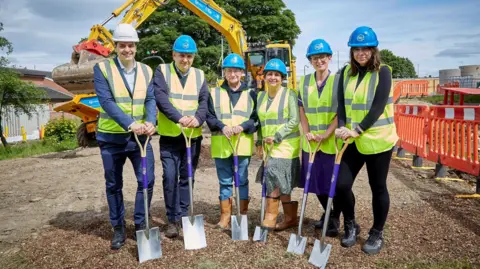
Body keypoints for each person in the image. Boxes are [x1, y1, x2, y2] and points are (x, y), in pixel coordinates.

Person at [334, 26, 398, 255]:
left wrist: (357, 129)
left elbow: (378, 106)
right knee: (341, 184)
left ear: (373, 50)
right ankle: (350, 224)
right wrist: (342, 127)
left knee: (378, 187)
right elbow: (341, 105)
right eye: (356, 49)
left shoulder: (384, 72)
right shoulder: (346, 74)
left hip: (379, 141)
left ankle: (376, 232)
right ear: (351, 51)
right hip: (353, 141)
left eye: (365, 49)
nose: (361, 53)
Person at [93, 23, 156, 250]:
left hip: (141, 139)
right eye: (122, 45)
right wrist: (130, 124)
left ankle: (140, 225)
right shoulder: (102, 69)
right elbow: (106, 102)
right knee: (113, 185)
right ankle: (118, 227)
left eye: (131, 45)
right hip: (111, 138)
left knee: (146, 181)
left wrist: (150, 121)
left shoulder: (147, 71)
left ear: (136, 47)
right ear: (115, 47)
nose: (127, 49)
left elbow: (150, 99)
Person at [152, 35, 209, 238]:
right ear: (173, 55)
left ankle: (185, 217)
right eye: (181, 55)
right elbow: (160, 98)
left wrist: (198, 118)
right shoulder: (162, 71)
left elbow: (204, 102)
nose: (185, 60)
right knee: (169, 178)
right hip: (170, 135)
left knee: (187, 178)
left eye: (189, 56)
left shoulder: (199, 75)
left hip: (192, 135)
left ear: (193, 57)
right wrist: (179, 118)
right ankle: (172, 220)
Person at [206, 53, 259, 229]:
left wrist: (243, 126)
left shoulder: (252, 94)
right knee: (225, 181)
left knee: (242, 180)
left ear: (242, 73)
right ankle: (225, 216)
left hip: (242, 144)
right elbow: (209, 116)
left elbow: (256, 119)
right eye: (229, 70)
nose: (233, 74)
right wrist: (222, 126)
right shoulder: (214, 93)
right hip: (221, 144)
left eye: (236, 70)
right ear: (225, 73)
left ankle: (241, 215)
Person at [297, 38, 341, 237]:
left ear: (329, 58)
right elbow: (302, 109)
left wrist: (327, 133)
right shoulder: (304, 81)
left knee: (334, 184)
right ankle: (330, 214)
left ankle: (337, 218)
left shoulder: (338, 81)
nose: (319, 61)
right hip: (311, 142)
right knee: (315, 183)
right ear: (310, 60)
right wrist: (306, 131)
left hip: (331, 142)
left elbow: (342, 111)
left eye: (322, 57)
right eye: (314, 58)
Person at [255, 58, 301, 231]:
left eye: (277, 74)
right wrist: (259, 141)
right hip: (269, 146)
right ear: (265, 76)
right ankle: (290, 218)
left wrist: (278, 135)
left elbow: (294, 120)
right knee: (281, 183)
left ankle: (270, 216)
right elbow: (260, 122)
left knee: (273, 177)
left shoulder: (289, 94)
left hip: (286, 145)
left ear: (282, 78)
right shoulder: (260, 96)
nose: (273, 77)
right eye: (270, 74)